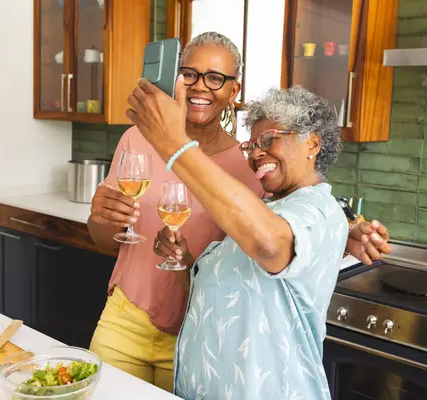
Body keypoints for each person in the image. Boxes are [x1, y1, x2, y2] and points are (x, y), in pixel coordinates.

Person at [87, 32, 390, 392]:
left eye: (215, 78)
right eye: (189, 74)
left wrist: (342, 228)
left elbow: (282, 229)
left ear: (234, 90)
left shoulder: (253, 169)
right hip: (134, 320)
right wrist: (102, 218)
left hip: (190, 335)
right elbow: (103, 234)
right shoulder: (136, 139)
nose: (200, 86)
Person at [128, 80, 347, 398]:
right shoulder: (267, 209)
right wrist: (188, 262)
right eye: (251, 145)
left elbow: (270, 245)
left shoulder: (319, 209)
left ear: (312, 144)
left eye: (269, 140)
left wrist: (175, 145)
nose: (256, 153)